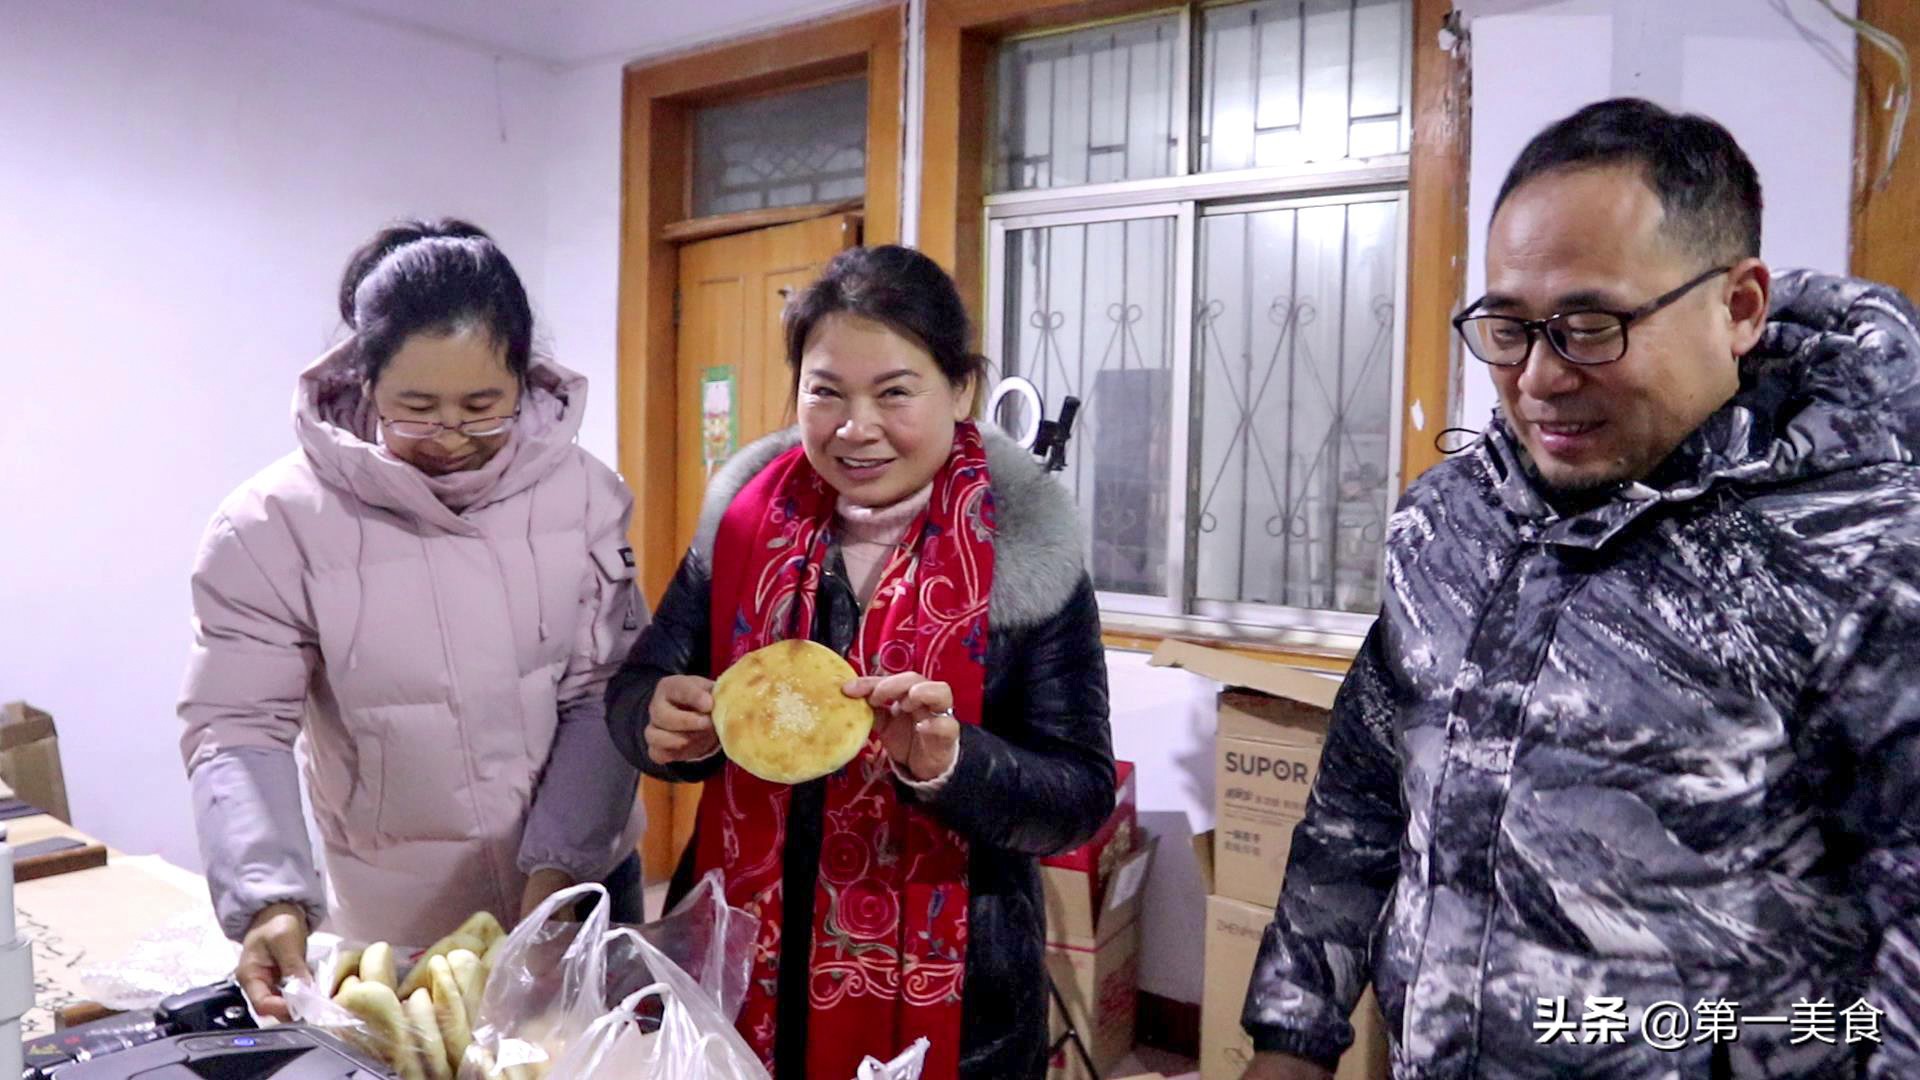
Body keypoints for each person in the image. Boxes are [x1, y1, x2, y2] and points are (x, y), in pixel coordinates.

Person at [1240, 98, 1920, 1079]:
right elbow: (1362, 794)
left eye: (1591, 326)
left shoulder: (1864, 558)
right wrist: (1291, 1034)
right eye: (1509, 329)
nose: (1540, 378)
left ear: (1738, 307)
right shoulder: (1448, 525)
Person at [605, 244, 1115, 1079]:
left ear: (961, 390)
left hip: (958, 1005)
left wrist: (954, 764)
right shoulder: (742, 526)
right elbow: (639, 688)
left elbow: (1080, 797)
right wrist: (655, 722)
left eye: (895, 392)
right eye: (826, 392)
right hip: (737, 972)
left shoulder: (1028, 552)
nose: (855, 427)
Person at [179, 219, 647, 1020]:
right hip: (396, 919)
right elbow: (238, 724)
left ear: (524, 378)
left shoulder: (583, 495)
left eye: (482, 406)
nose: (451, 437)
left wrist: (560, 877)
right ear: (364, 380)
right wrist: (268, 898)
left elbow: (602, 691)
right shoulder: (271, 524)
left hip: (577, 890)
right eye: (417, 409)